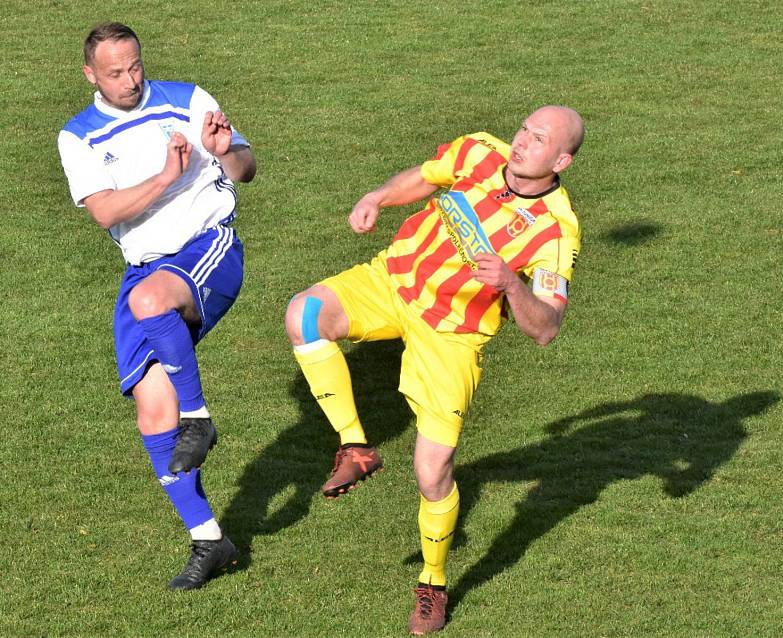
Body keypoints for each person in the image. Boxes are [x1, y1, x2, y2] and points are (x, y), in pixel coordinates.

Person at [285, 105, 584, 635]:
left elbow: (547, 328)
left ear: (561, 159)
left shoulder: (555, 231)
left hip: (451, 334)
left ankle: (433, 583)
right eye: (523, 130)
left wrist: (512, 285)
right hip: (393, 281)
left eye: (538, 140)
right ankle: (356, 446)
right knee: (305, 315)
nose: (521, 143)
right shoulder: (479, 150)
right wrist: (378, 195)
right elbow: (424, 177)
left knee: (432, 471)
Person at [57, 22, 256, 590]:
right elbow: (104, 211)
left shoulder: (189, 100)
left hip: (207, 247)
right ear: (90, 74)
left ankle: (201, 418)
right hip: (144, 267)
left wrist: (225, 152)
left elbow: (245, 168)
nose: (129, 79)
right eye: (115, 72)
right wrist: (167, 174)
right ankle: (209, 540)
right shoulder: (79, 136)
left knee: (149, 302)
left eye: (135, 66)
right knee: (152, 413)